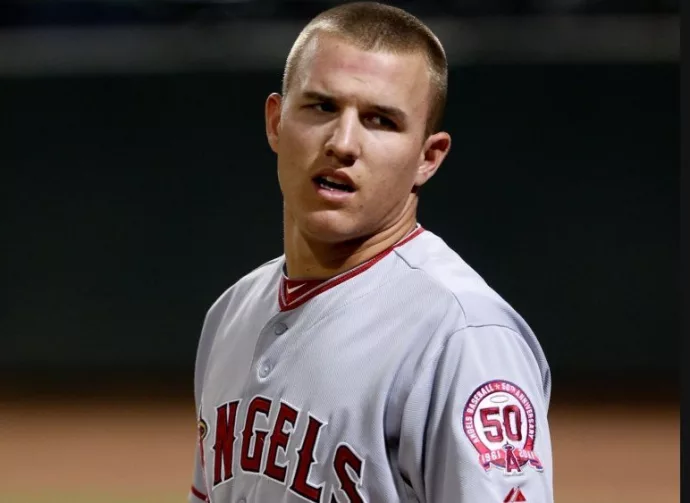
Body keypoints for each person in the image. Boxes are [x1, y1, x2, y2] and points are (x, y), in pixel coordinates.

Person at [188, 2, 553, 502]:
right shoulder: (230, 315)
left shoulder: (462, 337)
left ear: (428, 157)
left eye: (380, 120)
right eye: (322, 107)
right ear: (276, 122)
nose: (343, 142)